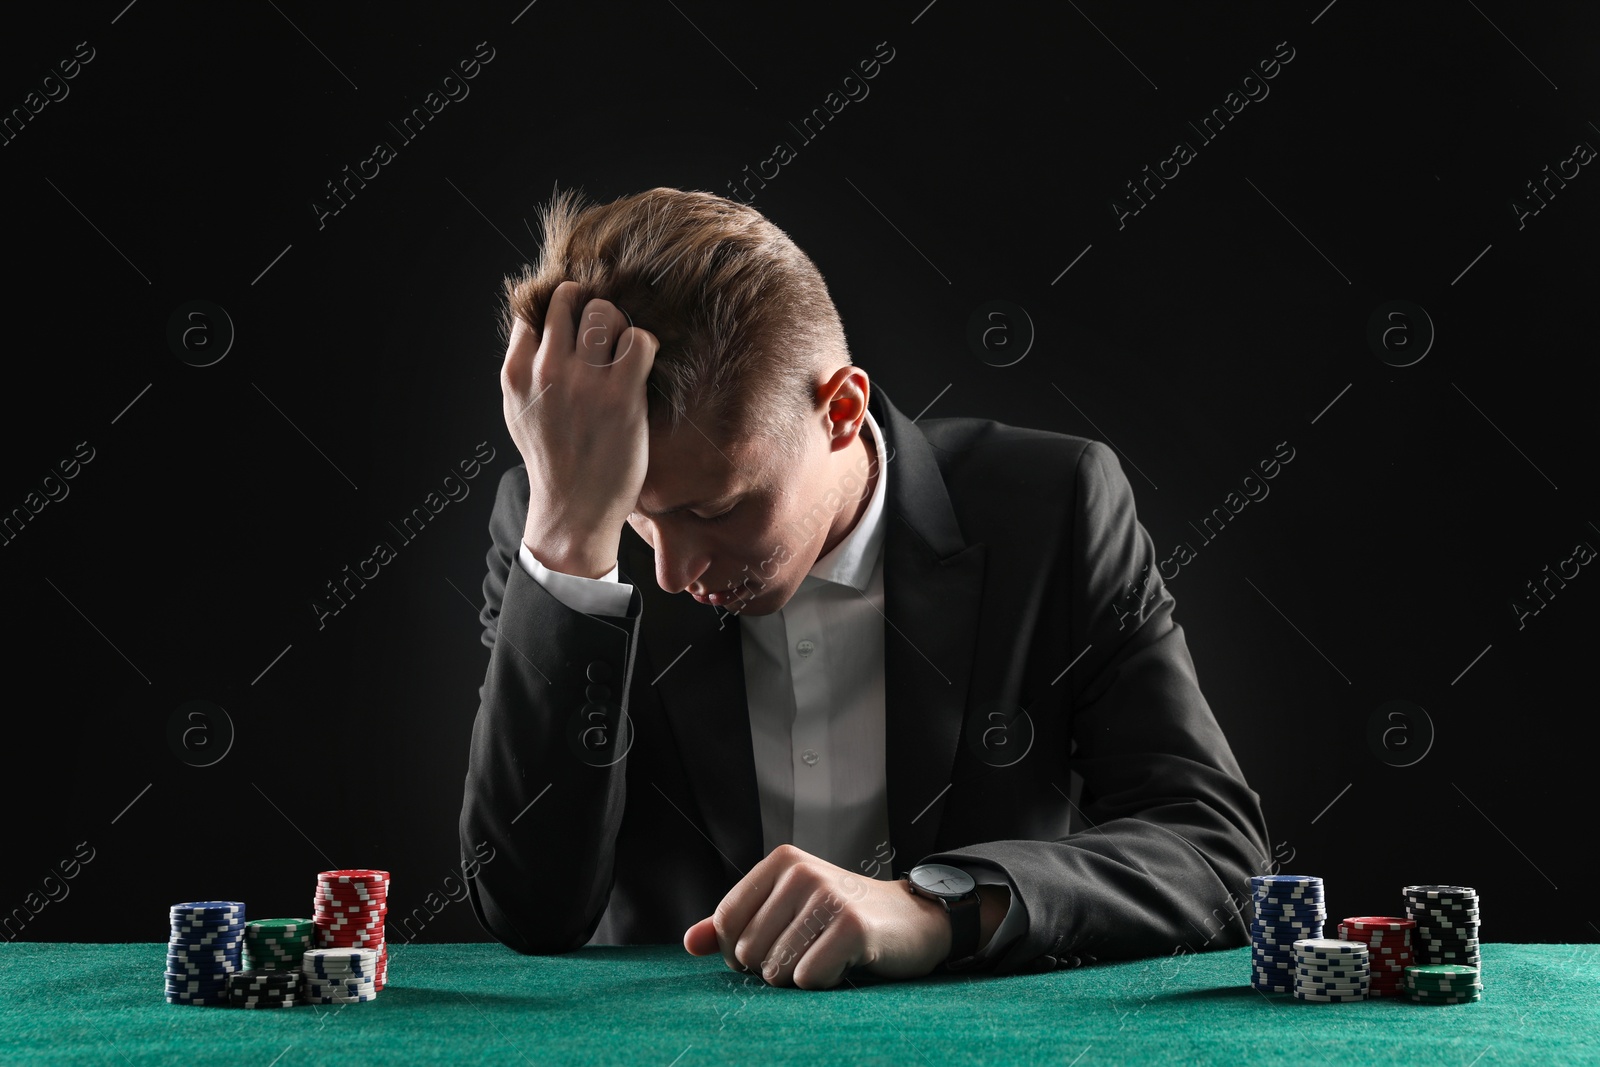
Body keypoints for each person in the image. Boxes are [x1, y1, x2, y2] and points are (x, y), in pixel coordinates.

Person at [458, 186, 1271, 990]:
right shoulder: (564, 530)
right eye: (642, 517)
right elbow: (529, 909)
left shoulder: (1056, 508)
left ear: (840, 409)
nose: (671, 573)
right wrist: (569, 546)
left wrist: (938, 908)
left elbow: (1215, 853)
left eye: (719, 508)